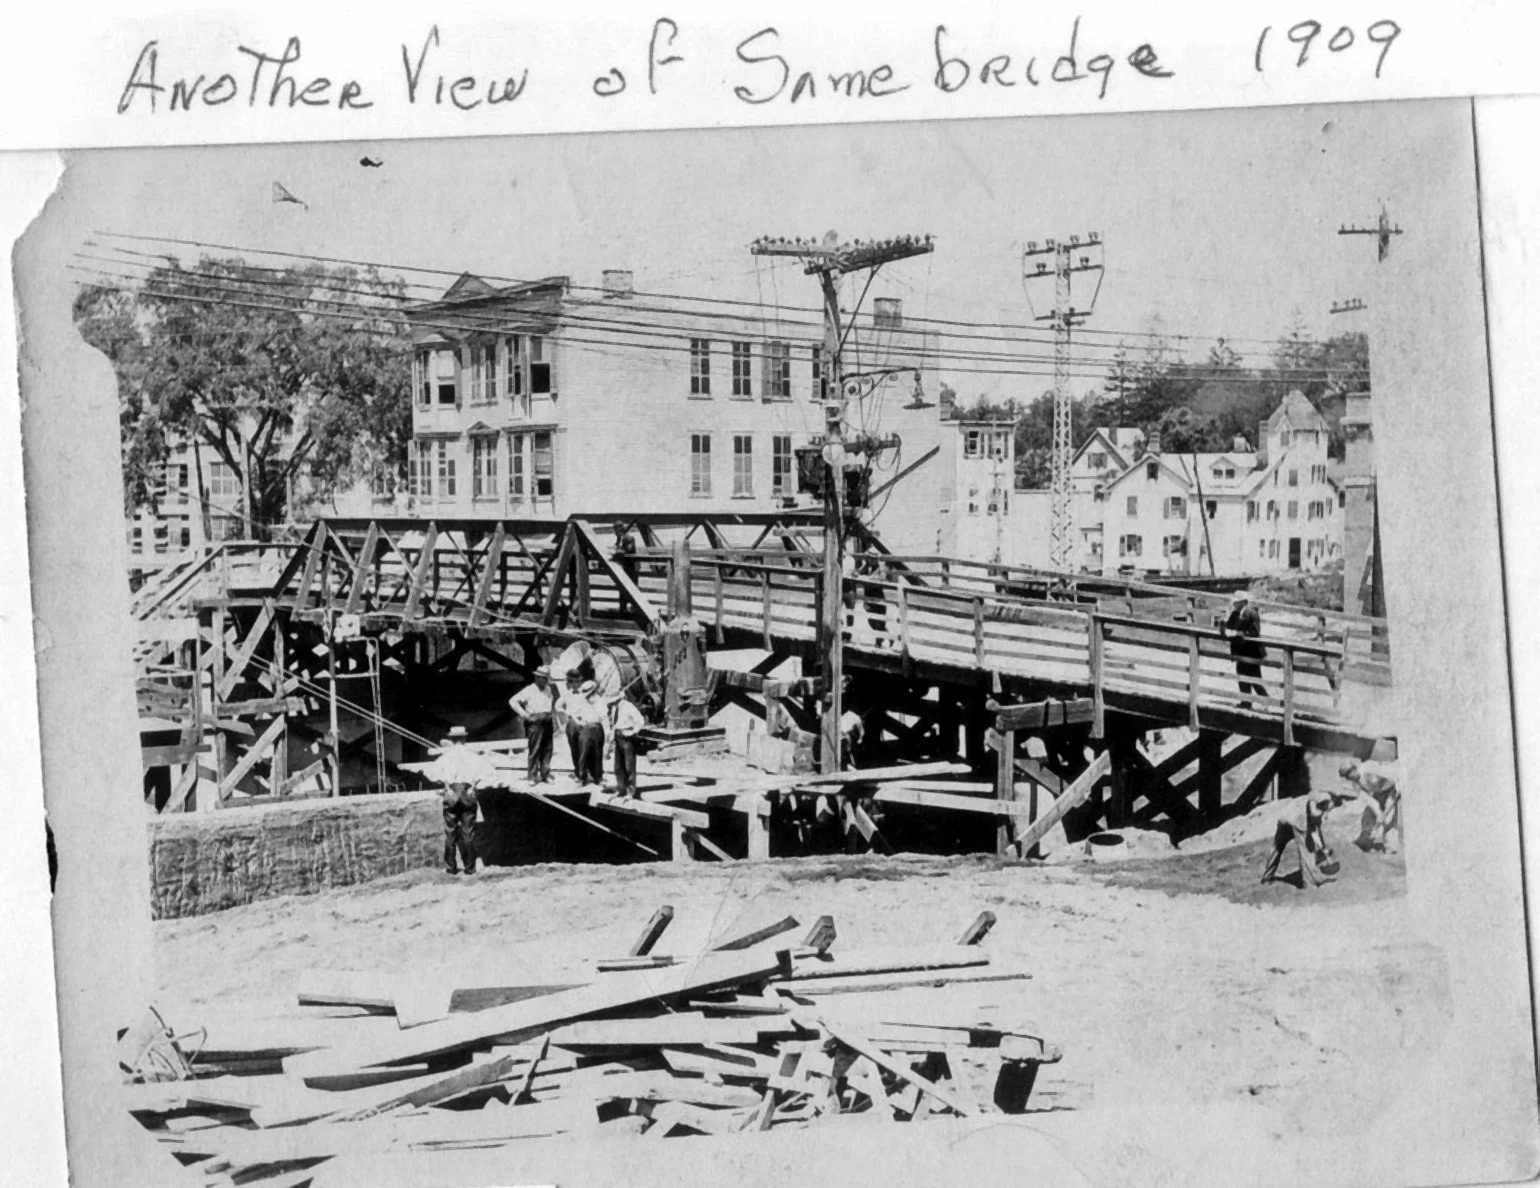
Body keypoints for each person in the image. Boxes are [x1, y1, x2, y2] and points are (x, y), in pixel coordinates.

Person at [1260, 785, 1352, 887]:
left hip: (1288, 816)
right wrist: (1321, 848)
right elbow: (1311, 833)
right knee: (1305, 851)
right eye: (1332, 806)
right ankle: (1311, 881)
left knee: (1278, 848)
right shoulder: (1310, 814)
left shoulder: (1320, 799)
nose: (1331, 809)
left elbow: (1317, 829)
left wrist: (1323, 847)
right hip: (1292, 821)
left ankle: (1268, 876)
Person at [1341, 757, 1403, 854]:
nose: (1349, 777)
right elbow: (1370, 801)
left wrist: (1399, 785)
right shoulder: (1356, 785)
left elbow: (1390, 772)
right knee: (1368, 814)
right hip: (1379, 792)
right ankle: (1365, 840)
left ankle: (1392, 846)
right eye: (1346, 776)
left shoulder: (1368, 768)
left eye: (1349, 773)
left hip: (1392, 787)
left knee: (1388, 819)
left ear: (1354, 768)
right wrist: (1379, 814)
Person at [439, 726, 479, 876]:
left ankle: (451, 868)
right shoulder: (472, 755)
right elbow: (487, 771)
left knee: (450, 833)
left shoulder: (446, 756)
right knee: (468, 833)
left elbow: (431, 773)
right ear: (464, 738)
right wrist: (473, 786)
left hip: (452, 792)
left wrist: (446, 786)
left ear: (451, 739)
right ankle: (470, 868)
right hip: (467, 791)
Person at [1220, 588, 1268, 709]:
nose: (1234, 604)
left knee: (1255, 678)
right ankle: (1246, 702)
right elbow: (1228, 628)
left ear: (1244, 602)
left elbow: (1255, 632)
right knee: (1241, 676)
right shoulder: (1234, 614)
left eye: (1237, 602)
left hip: (1252, 651)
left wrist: (1241, 634)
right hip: (1240, 651)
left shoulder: (1252, 613)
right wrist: (1223, 626)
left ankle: (1266, 701)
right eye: (1234, 602)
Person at [508, 666, 556, 784]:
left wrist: (549, 715)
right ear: (537, 678)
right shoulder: (529, 690)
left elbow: (550, 702)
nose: (546, 681)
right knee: (535, 749)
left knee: (548, 749)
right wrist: (525, 714)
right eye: (544, 678)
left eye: (546, 678)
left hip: (547, 720)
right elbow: (513, 701)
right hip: (535, 722)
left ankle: (545, 774)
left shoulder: (548, 689)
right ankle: (532, 776)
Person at [606, 694, 647, 798]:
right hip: (618, 736)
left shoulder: (628, 706)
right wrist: (612, 734)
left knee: (629, 767)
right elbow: (615, 723)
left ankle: (630, 792)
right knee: (618, 767)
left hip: (627, 738)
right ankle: (621, 789)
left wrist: (633, 731)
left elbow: (641, 720)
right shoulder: (615, 707)